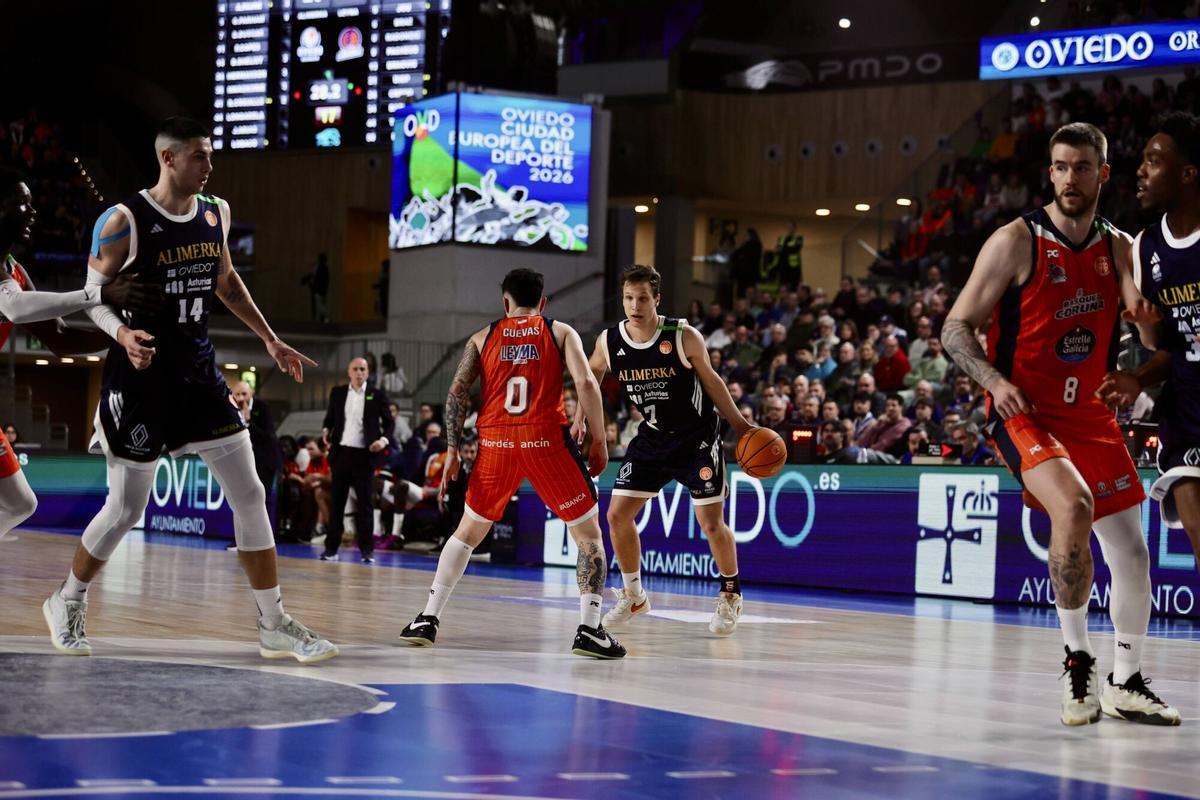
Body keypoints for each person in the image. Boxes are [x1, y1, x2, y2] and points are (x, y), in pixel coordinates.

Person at [42, 117, 336, 664]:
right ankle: (67, 600)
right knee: (127, 509)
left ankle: (273, 623)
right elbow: (91, 297)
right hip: (139, 379)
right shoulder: (121, 221)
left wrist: (270, 339)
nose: (210, 164)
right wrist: (123, 333)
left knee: (250, 494)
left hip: (200, 378)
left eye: (210, 155)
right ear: (169, 159)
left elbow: (225, 280)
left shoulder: (215, 212)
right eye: (200, 156)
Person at [942, 122, 1178, 726]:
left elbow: (1144, 333)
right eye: (1061, 167)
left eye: (1083, 167)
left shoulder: (1121, 247)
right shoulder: (1015, 241)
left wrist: (1147, 325)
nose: (1071, 177)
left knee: (1132, 550)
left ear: (1104, 174)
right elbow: (955, 326)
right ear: (1050, 173)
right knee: (1072, 507)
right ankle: (1078, 661)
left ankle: (1126, 681)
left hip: (1092, 415)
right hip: (1026, 412)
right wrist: (994, 383)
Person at [398, 268, 623, 658]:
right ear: (543, 301)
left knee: (466, 533)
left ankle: (427, 617)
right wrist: (599, 439)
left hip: (496, 441)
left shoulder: (482, 337)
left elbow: (456, 393)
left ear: (505, 302)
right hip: (545, 440)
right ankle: (589, 629)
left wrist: (452, 450)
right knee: (588, 535)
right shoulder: (559, 331)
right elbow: (586, 383)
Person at [587, 264, 756, 636]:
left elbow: (712, 383)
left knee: (711, 524)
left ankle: (730, 594)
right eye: (629, 297)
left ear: (657, 299)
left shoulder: (682, 335)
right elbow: (589, 378)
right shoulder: (609, 341)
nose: (634, 305)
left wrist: (742, 426)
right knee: (616, 516)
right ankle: (634, 596)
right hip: (653, 437)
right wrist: (582, 420)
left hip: (697, 439)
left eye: (643, 298)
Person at [0, 166, 159, 539]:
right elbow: (16, 308)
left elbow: (59, 338)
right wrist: (99, 294)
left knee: (21, 503)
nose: (32, 212)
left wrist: (121, 335)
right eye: (21, 204)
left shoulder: (14, 271)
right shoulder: (11, 287)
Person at [1099, 113, 1200, 584]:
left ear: (1187, 172)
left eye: (1154, 161)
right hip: (1185, 410)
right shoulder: (1146, 247)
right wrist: (1138, 374)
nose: (1140, 170)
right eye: (1141, 160)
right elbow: (1172, 347)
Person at [319, 357, 394, 563]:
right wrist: (326, 431)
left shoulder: (376, 395)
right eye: (356, 369)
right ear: (349, 372)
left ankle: (367, 550)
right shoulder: (338, 393)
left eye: (363, 369)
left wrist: (383, 441)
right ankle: (330, 549)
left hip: (364, 455)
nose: (359, 372)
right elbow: (329, 420)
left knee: (365, 505)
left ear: (368, 373)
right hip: (341, 454)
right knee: (337, 504)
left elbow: (389, 424)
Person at [231, 380, 282, 542]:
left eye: (244, 394)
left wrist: (248, 420)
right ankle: (242, 539)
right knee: (240, 499)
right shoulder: (231, 409)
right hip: (244, 460)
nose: (240, 398)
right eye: (237, 394)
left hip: (265, 459)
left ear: (251, 393)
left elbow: (267, 437)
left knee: (262, 498)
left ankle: (263, 540)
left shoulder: (262, 407)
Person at [301, 252, 330, 322]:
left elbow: (317, 279)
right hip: (320, 291)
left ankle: (322, 320)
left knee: (318, 307)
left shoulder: (321, 269)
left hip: (318, 291)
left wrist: (312, 285)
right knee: (319, 306)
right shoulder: (324, 269)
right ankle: (323, 319)